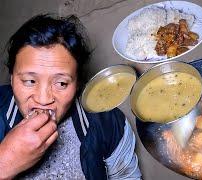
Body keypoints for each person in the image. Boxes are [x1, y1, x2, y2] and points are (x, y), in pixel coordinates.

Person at [0, 14, 141, 179]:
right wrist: (6, 162)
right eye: (30, 81)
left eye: (61, 84)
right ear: (11, 78)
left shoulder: (108, 122)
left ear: (78, 84)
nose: (44, 100)